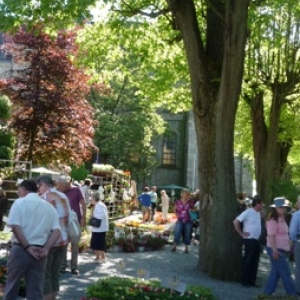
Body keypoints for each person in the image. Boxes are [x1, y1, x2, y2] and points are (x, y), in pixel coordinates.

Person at [3, 179, 60, 300]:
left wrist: (27, 247)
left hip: (20, 249)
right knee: (36, 290)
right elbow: (56, 231)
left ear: (24, 190)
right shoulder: (49, 207)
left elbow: (14, 226)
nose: (18, 193)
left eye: (19, 190)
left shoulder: (19, 203)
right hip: (40, 251)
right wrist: (46, 249)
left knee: (12, 287)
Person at [37, 175, 71, 300]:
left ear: (43, 185)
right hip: (63, 238)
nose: (38, 189)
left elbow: (41, 221)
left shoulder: (44, 198)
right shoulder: (63, 196)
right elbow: (67, 217)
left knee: (46, 275)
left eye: (39, 186)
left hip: (49, 241)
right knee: (55, 274)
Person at [263, 197, 297, 296]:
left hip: (281, 249)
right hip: (275, 249)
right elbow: (270, 236)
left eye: (284, 207)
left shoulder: (281, 219)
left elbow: (283, 233)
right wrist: (274, 250)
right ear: (275, 208)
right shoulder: (273, 221)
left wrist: (289, 240)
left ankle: (267, 293)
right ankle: (293, 294)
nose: (282, 209)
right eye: (280, 207)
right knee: (286, 272)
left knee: (276, 273)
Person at [56, 176, 86, 275]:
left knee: (75, 245)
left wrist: (83, 218)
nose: (58, 187)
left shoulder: (76, 190)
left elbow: (83, 204)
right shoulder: (59, 192)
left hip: (74, 222)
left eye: (60, 185)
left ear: (66, 184)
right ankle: (62, 266)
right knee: (63, 244)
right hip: (63, 222)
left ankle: (74, 267)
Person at [233, 196, 263, 287]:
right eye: (261, 204)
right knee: (247, 260)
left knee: (255, 261)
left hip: (256, 239)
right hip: (249, 239)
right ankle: (244, 281)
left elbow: (264, 215)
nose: (262, 206)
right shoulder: (248, 212)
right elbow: (236, 221)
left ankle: (252, 280)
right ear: (257, 204)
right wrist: (241, 233)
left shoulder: (258, 213)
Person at [171, 188, 195, 253]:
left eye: (188, 194)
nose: (186, 195)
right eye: (185, 194)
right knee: (177, 232)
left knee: (187, 234)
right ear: (182, 194)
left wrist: (192, 210)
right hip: (180, 220)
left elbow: (195, 209)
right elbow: (174, 209)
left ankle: (186, 248)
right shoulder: (178, 201)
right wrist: (177, 215)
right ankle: (174, 246)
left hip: (188, 221)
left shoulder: (191, 202)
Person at [89, 192, 109, 262]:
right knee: (97, 243)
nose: (90, 200)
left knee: (98, 243)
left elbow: (102, 215)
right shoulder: (99, 205)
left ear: (94, 198)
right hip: (98, 228)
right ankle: (99, 257)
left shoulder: (100, 205)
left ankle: (101, 257)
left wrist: (93, 216)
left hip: (100, 228)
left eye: (91, 199)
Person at [289, 196, 300, 294]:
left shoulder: (297, 215)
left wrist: (293, 239)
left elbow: (292, 231)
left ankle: (298, 288)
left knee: (299, 266)